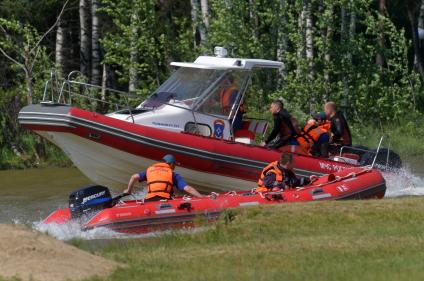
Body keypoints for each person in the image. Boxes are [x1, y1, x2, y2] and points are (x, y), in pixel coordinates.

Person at [123, 154, 204, 201]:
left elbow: (134, 177)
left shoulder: (150, 170)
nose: (175, 167)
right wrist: (202, 198)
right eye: (174, 165)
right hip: (164, 200)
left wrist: (129, 191)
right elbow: (188, 189)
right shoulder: (173, 174)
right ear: (171, 164)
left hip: (149, 200)